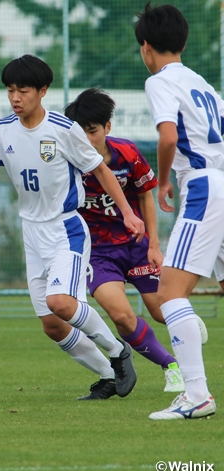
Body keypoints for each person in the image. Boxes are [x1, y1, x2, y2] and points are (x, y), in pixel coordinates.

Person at [0, 55, 143, 399]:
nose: (15, 97)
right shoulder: (3, 131)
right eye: (10, 90)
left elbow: (101, 170)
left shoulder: (63, 129)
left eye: (23, 90)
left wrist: (128, 214)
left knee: (61, 302)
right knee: (52, 324)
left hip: (66, 230)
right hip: (31, 233)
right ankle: (107, 376)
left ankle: (119, 353)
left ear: (43, 91)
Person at [65, 88, 185, 395]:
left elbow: (145, 194)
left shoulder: (127, 153)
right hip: (97, 254)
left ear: (107, 127)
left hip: (136, 247)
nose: (87, 140)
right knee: (119, 314)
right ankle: (171, 366)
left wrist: (154, 245)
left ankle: (189, 340)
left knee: (161, 311)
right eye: (80, 132)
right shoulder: (68, 161)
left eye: (93, 131)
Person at [135, 3, 221, 420]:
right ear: (184, 42)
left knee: (168, 294)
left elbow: (168, 137)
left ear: (145, 48)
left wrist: (164, 180)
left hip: (206, 187)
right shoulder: (203, 84)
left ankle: (197, 396)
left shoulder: (160, 82)